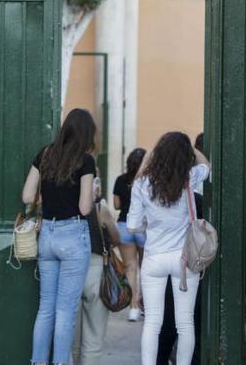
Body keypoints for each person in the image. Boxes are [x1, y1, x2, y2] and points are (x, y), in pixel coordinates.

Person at [21, 108, 97, 365]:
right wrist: (93, 193)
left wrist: (47, 196)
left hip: (48, 236)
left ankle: (38, 362)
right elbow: (85, 208)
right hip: (73, 235)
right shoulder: (86, 161)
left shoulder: (46, 154)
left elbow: (27, 196)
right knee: (65, 311)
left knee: (46, 309)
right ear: (87, 134)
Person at [127, 131, 210, 365]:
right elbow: (207, 165)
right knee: (185, 323)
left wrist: (149, 222)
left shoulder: (142, 184)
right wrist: (191, 148)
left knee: (153, 322)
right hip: (184, 260)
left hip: (154, 258)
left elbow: (132, 226)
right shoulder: (190, 178)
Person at [157, 134, 205, 365]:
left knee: (165, 324)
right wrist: (190, 148)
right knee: (190, 321)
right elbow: (208, 167)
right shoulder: (194, 187)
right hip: (189, 263)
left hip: (160, 262)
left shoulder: (154, 189)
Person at [72, 177, 121, 365]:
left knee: (72, 335)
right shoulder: (100, 209)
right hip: (96, 269)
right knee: (94, 334)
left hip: (72, 270)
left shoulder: (66, 207)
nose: (98, 185)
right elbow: (117, 239)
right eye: (95, 180)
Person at [113, 147, 148, 321]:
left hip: (124, 226)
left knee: (130, 267)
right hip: (142, 227)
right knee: (145, 267)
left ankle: (133, 307)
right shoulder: (148, 180)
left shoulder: (120, 180)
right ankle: (144, 304)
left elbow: (117, 205)